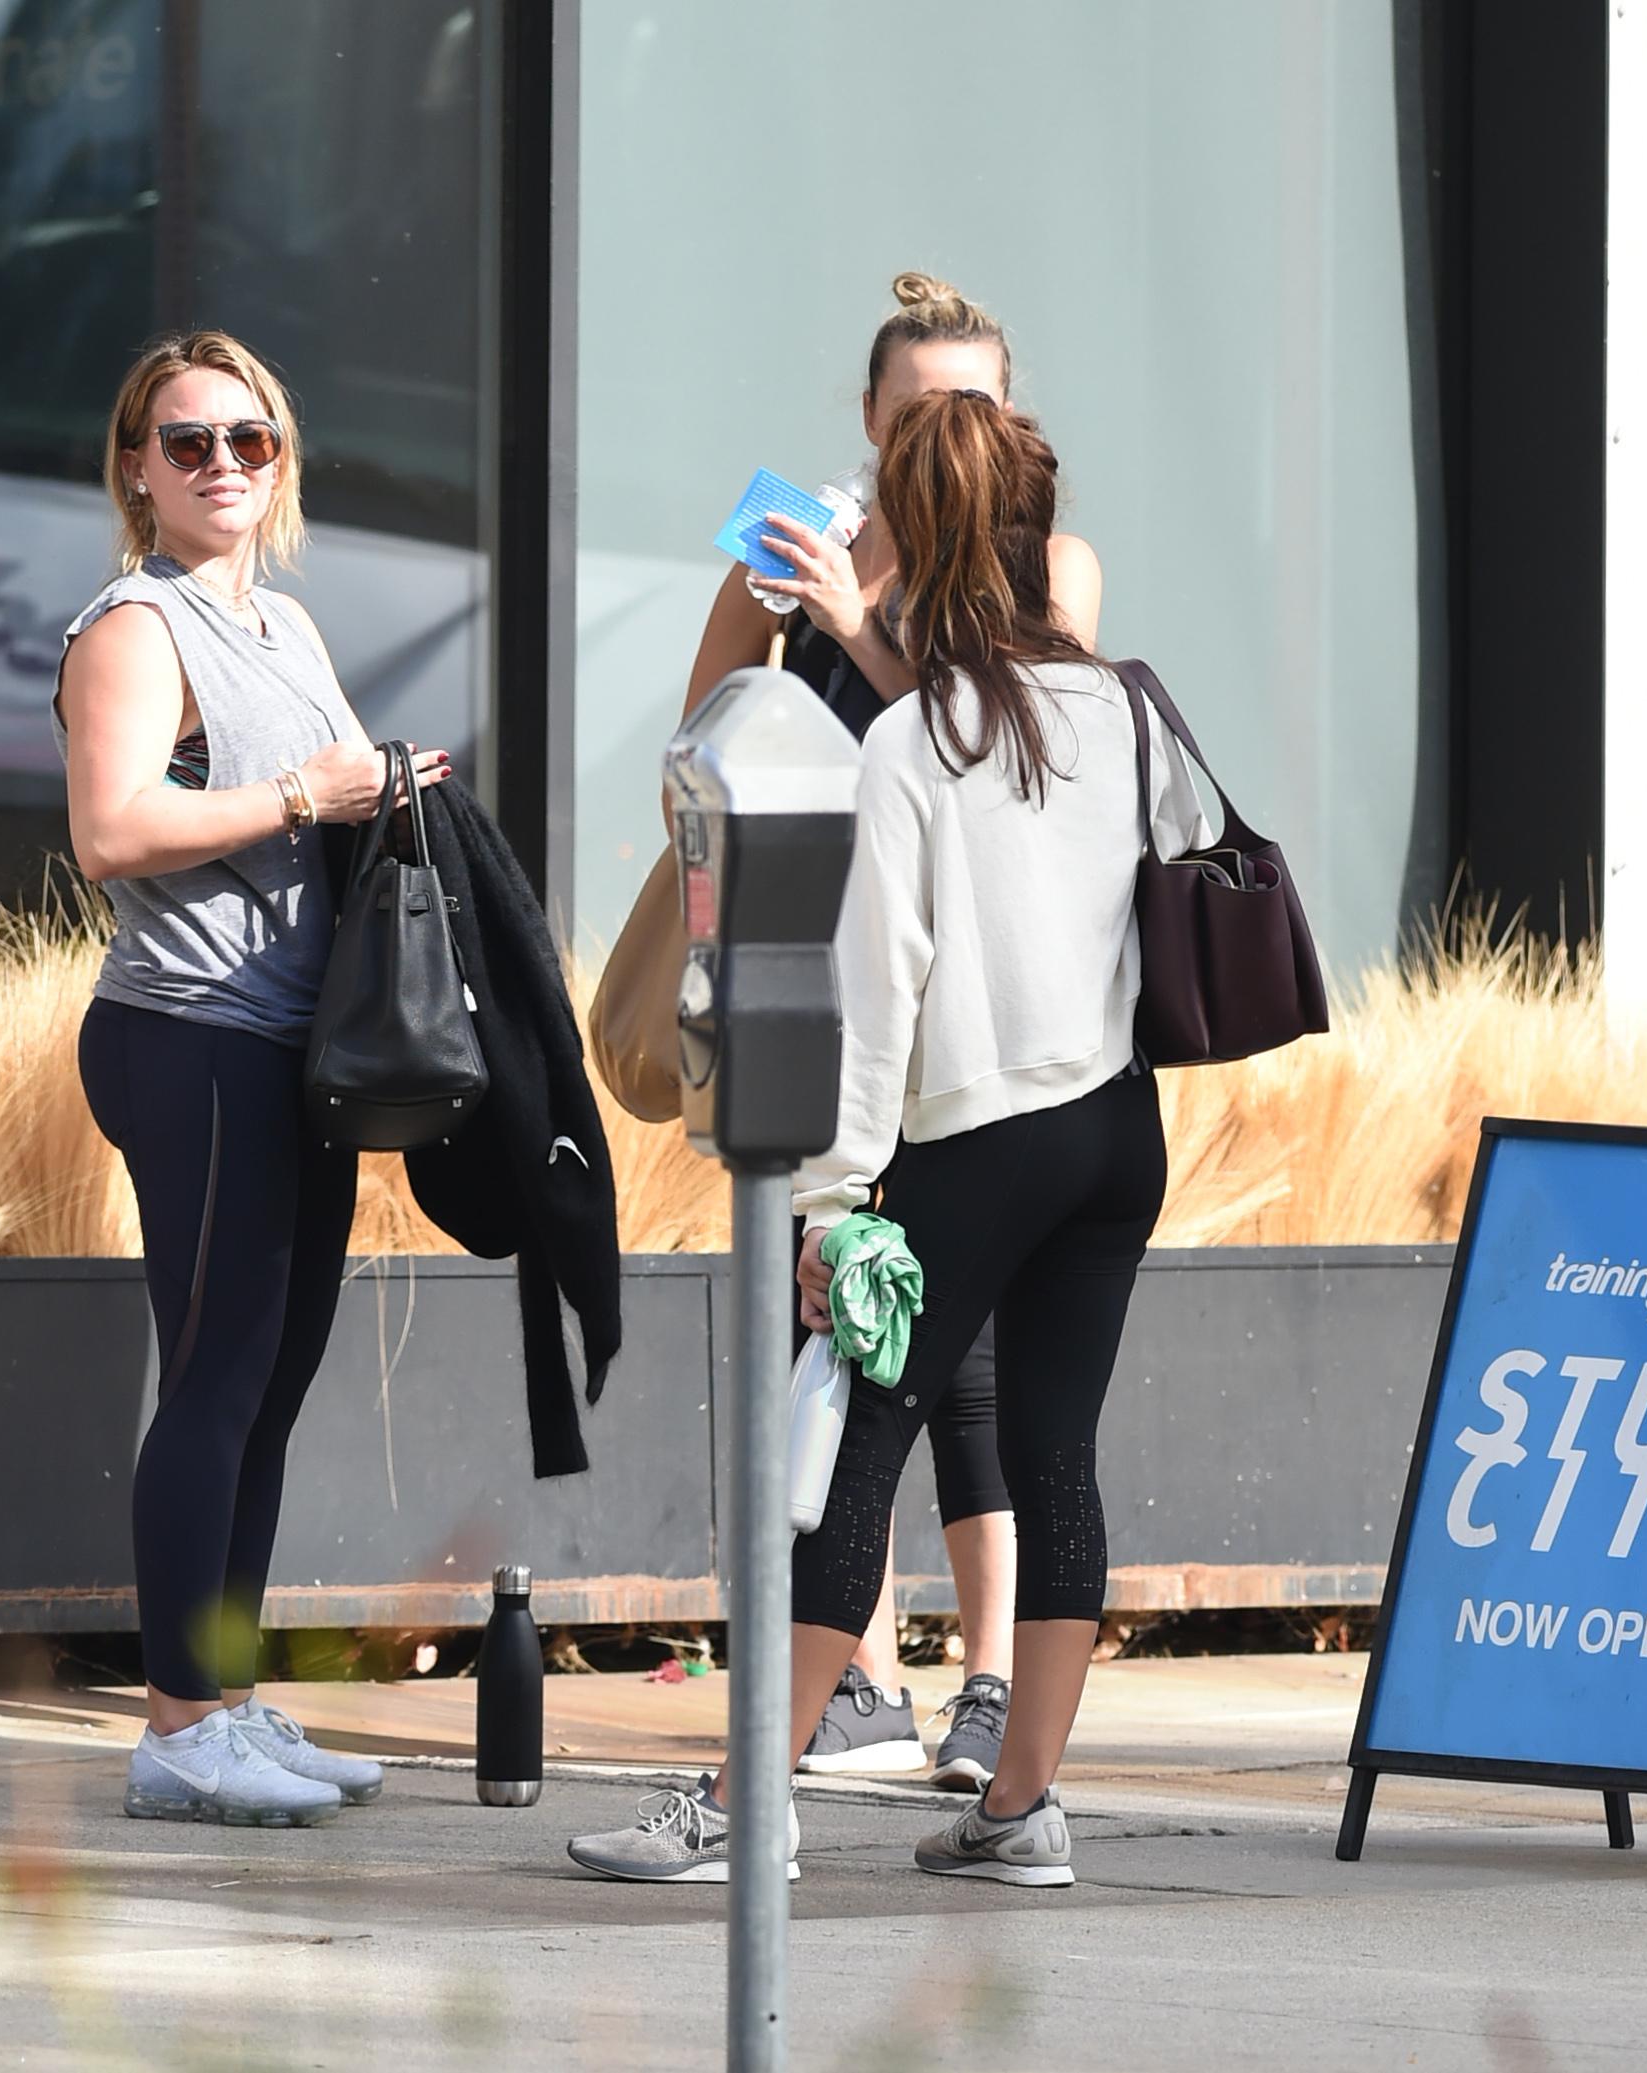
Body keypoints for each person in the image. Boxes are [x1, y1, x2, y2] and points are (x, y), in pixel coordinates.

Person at [570, 388, 1204, 1884]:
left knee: (846, 1460)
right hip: (1117, 1134)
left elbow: (881, 986)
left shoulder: (915, 740)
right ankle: (1021, 1808)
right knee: (1056, 1459)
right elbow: (1174, 877)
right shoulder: (1129, 709)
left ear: (918, 540)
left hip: (972, 1141)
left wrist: (833, 1204)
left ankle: (746, 1804)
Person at [679, 274, 1104, 1790]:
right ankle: (852, 1684)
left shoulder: (1045, 567)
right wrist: (772, 619)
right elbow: (702, 746)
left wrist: (862, 632)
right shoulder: (796, 548)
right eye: (916, 409)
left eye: (971, 407)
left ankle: (984, 1691)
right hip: (828, 987)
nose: (942, 434)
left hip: (983, 1012)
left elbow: (1014, 751)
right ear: (866, 419)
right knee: (827, 1336)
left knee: (974, 1370)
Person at [55, 329, 446, 1827]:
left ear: (281, 461)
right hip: (194, 1034)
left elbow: (332, 796)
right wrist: (303, 792)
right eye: (188, 441)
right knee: (216, 1380)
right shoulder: (135, 626)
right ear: (137, 470)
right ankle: (173, 1728)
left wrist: (385, 792)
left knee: (268, 1388)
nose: (223, 463)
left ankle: (222, 1698)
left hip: (293, 1043)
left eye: (250, 438)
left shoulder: (280, 622)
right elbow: (110, 829)